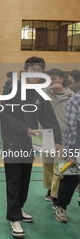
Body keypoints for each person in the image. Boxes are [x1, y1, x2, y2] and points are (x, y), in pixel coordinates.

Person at [0, 56, 62, 238]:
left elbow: (49, 118)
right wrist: (24, 129)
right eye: (32, 69)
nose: (36, 73)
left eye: (39, 70)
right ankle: (13, 218)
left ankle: (19, 208)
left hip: (32, 142)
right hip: (13, 141)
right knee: (13, 180)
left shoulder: (39, 93)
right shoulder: (13, 89)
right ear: (25, 71)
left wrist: (56, 139)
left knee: (25, 179)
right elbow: (4, 114)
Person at [43, 69, 73, 202]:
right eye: (48, 79)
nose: (51, 82)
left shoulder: (72, 97)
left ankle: (56, 196)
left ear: (62, 79)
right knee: (47, 166)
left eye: (54, 78)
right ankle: (50, 189)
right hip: (45, 135)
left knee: (60, 167)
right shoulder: (45, 94)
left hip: (64, 137)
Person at [54, 90, 80, 223]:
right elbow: (75, 129)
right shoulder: (76, 100)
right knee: (69, 180)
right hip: (74, 147)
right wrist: (73, 154)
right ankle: (60, 206)